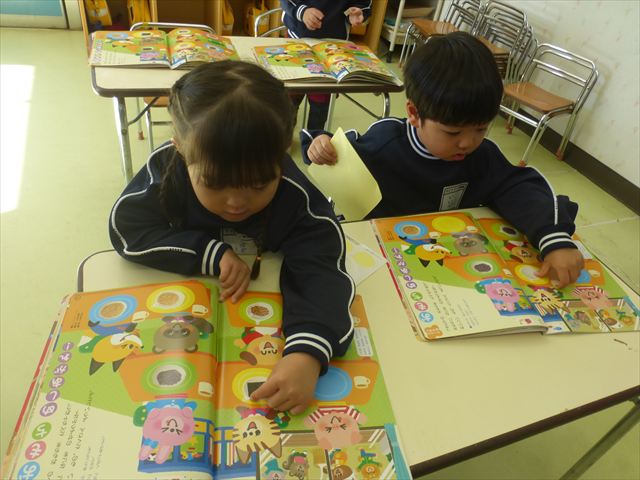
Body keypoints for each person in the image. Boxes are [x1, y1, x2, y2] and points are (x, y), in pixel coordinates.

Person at [109, 61, 355, 415]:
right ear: (180, 148)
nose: (237, 202)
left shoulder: (291, 191)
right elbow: (127, 227)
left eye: (258, 185)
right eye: (214, 184)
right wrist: (208, 252)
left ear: (282, 152)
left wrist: (308, 351)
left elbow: (321, 260)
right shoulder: (169, 168)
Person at [302, 32, 584, 288]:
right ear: (414, 113)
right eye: (453, 132)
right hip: (385, 264)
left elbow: (517, 186)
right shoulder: (384, 142)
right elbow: (333, 150)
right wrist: (319, 143)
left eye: (481, 128)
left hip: (451, 266)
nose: (468, 143)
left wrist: (554, 239)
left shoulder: (481, 155)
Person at [280, 1, 372, 129]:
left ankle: (314, 137)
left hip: (332, 46)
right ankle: (285, 134)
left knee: (320, 105)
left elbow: (362, 3)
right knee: (289, 100)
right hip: (296, 40)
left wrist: (358, 12)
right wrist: (303, 11)